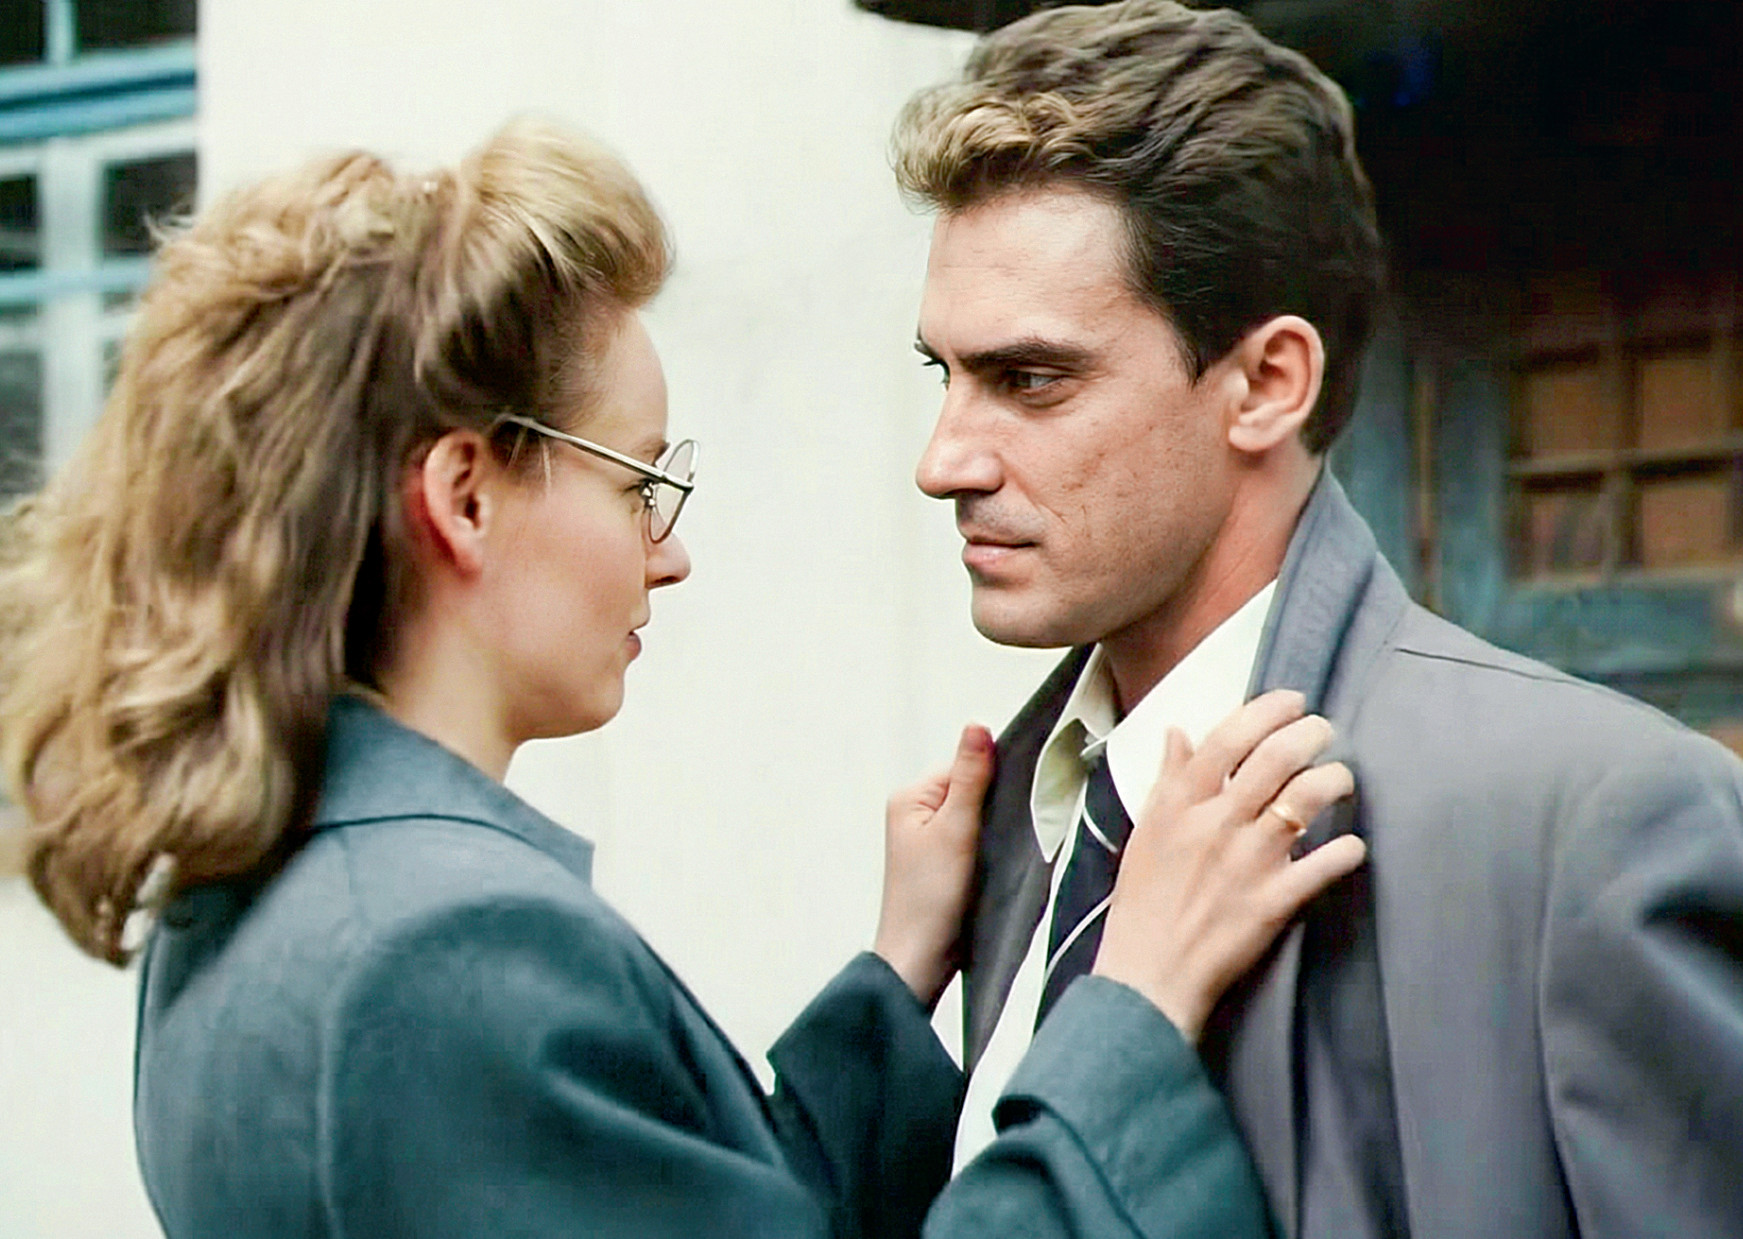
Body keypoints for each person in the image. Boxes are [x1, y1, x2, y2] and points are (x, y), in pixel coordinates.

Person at [0, 120, 1366, 1238]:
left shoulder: (247, 890)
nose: (670, 553)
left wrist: (895, 975)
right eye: (637, 483)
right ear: (465, 496)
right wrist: (1134, 1002)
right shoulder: (446, 953)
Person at [893, 2, 1743, 1236]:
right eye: (945, 375)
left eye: (1029, 380)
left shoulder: (1594, 827)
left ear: (1267, 383)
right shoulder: (1008, 827)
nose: (943, 462)